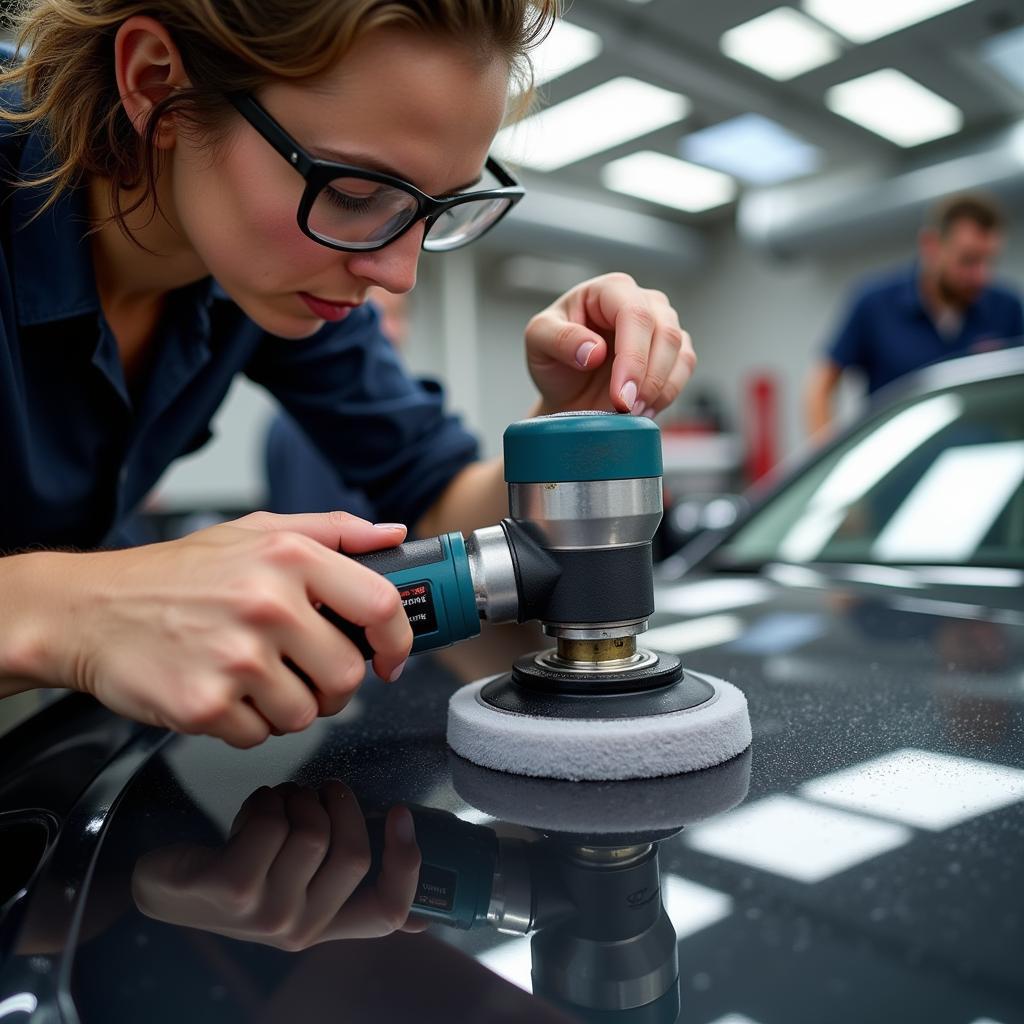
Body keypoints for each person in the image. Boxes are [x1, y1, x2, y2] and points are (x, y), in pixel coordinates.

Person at [0, 1, 696, 750]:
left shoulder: (270, 270)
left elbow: (435, 499)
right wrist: (80, 608)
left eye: (434, 210)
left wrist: (568, 438)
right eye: (356, 194)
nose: (396, 274)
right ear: (155, 81)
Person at [805, 194, 1023, 437]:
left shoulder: (1007, 307)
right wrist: (833, 457)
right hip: (898, 461)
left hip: (982, 461)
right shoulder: (875, 304)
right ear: (931, 245)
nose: (981, 276)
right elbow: (821, 387)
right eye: (969, 260)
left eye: (989, 261)